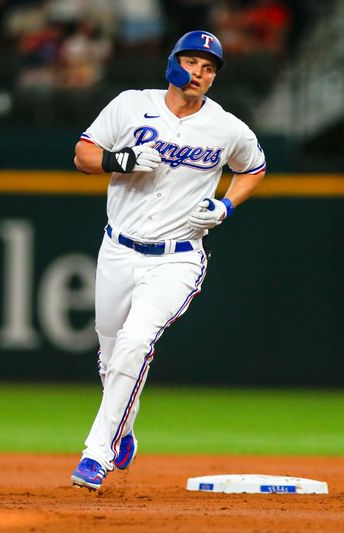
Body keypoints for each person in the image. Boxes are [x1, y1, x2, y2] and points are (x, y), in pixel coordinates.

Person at [70, 30, 266, 491]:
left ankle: (94, 455)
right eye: (193, 62)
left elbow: (254, 167)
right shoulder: (130, 105)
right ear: (174, 63)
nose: (200, 73)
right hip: (117, 249)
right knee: (111, 356)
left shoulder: (226, 127)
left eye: (210, 67)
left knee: (137, 342)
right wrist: (121, 159)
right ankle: (123, 427)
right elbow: (82, 155)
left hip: (176, 259)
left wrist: (226, 205)